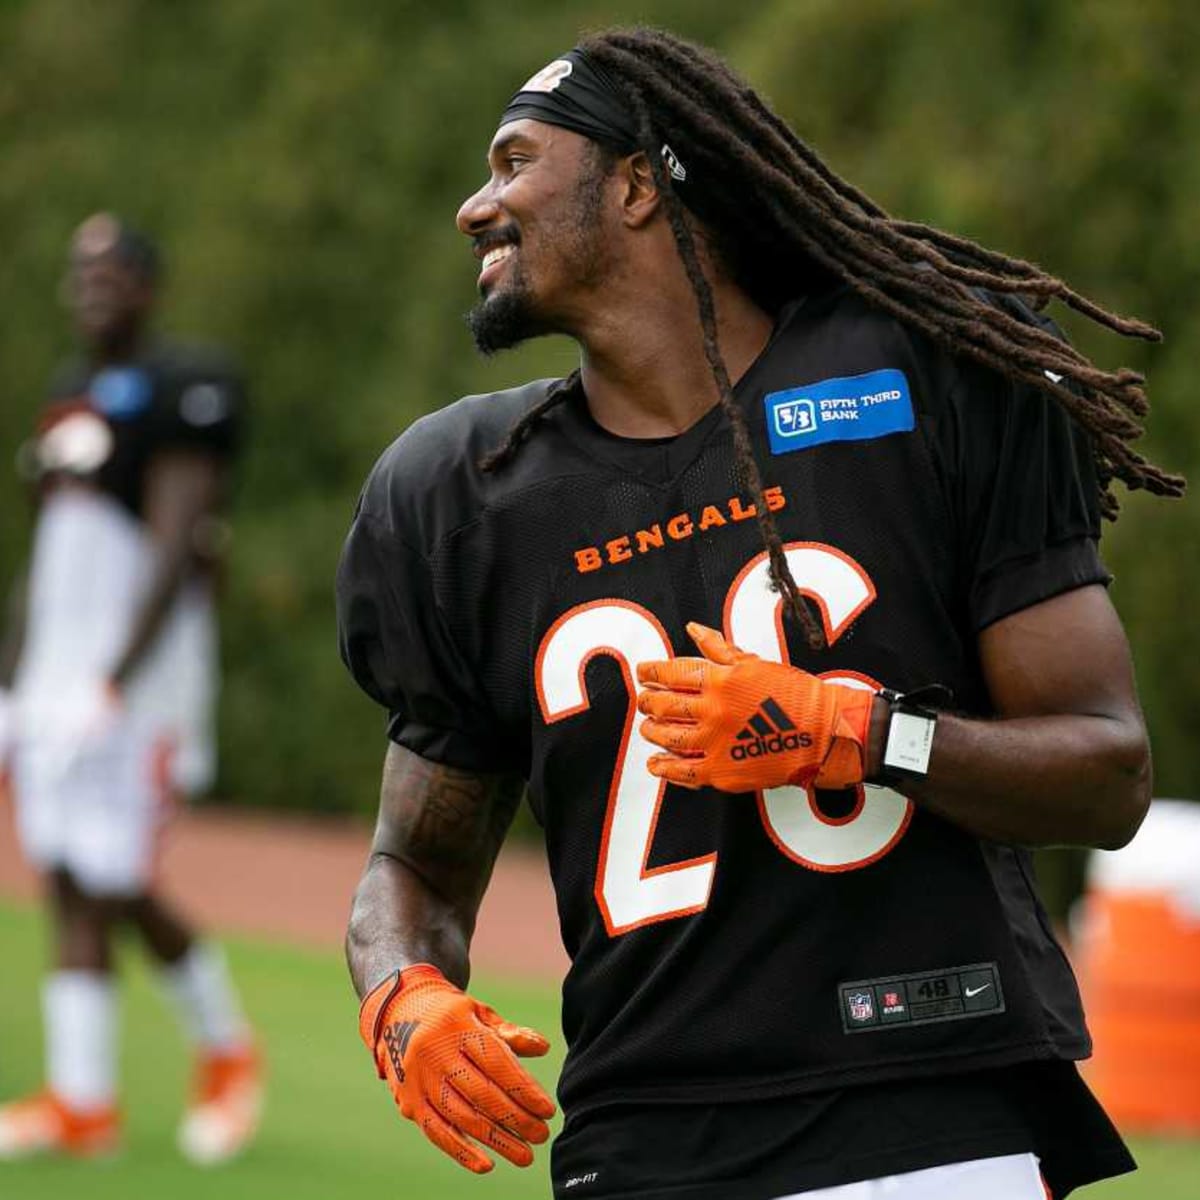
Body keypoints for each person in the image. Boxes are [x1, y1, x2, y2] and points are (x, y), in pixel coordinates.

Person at [335, 28, 1184, 1200]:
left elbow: (1107, 774)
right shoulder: (458, 497)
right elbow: (413, 868)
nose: (477, 208)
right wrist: (400, 992)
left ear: (638, 181)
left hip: (933, 1115)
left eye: (514, 161)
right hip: (644, 1138)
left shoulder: (919, 374)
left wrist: (863, 732)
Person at [0, 213, 262, 1164]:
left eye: (110, 273)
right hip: (54, 674)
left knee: (112, 877)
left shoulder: (184, 386)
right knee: (68, 875)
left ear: (148, 286)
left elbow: (172, 542)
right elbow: (51, 551)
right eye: (79, 272)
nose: (89, 287)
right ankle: (82, 1103)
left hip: (134, 682)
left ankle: (228, 1051)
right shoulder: (67, 393)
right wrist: (16, 677)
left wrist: (113, 679)